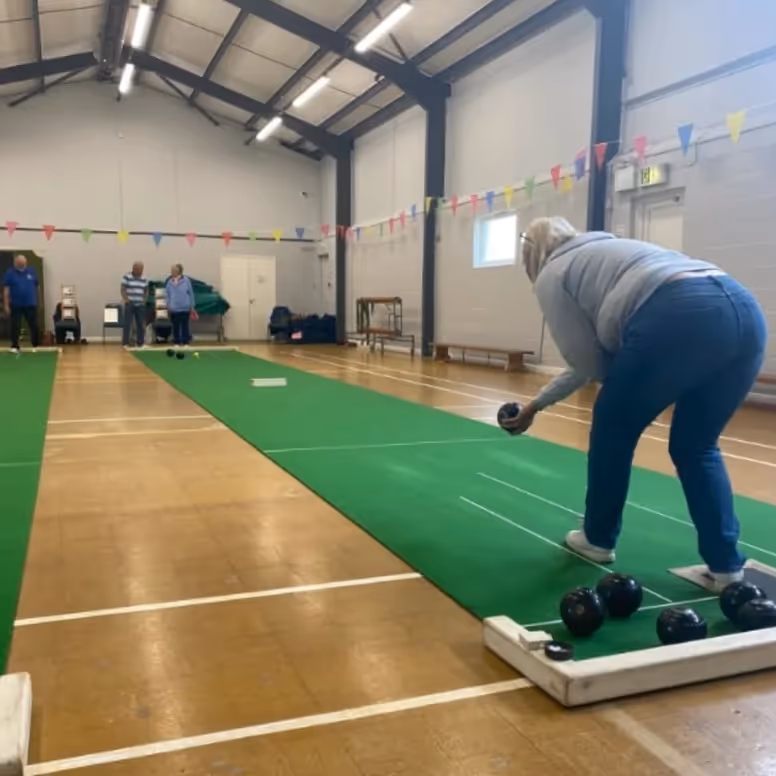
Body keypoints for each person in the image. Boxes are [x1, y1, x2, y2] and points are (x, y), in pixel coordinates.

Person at [504, 217, 766, 591]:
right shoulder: (612, 250)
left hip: (678, 314)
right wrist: (536, 404)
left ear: (532, 254)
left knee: (613, 427)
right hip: (744, 312)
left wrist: (637, 387)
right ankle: (727, 568)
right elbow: (591, 361)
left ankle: (597, 538)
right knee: (697, 446)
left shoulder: (553, 273)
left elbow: (590, 363)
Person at [2, 254, 40, 353]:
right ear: (16, 263)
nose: (22, 265)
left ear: (26, 263)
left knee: (34, 325)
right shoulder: (10, 273)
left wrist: (38, 300)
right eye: (20, 263)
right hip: (15, 304)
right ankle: (15, 345)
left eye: (23, 263)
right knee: (15, 326)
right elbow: (6, 290)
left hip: (30, 303)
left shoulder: (31, 271)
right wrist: (6, 305)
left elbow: (37, 287)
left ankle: (36, 345)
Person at [165, 264, 195, 346]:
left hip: (185, 307)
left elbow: (191, 293)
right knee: (175, 326)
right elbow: (167, 294)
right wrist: (168, 304)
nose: (171, 272)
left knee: (185, 325)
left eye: (173, 271)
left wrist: (192, 306)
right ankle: (177, 341)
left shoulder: (186, 281)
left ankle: (185, 342)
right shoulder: (169, 282)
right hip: (174, 308)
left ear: (178, 271)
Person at [121, 262, 149, 348]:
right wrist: (127, 299)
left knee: (140, 324)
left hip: (140, 304)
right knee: (127, 323)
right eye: (139, 269)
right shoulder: (127, 277)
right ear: (134, 269)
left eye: (142, 269)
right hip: (130, 304)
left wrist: (144, 300)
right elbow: (122, 290)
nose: (141, 271)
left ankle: (140, 343)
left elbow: (146, 291)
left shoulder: (145, 278)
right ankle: (125, 343)